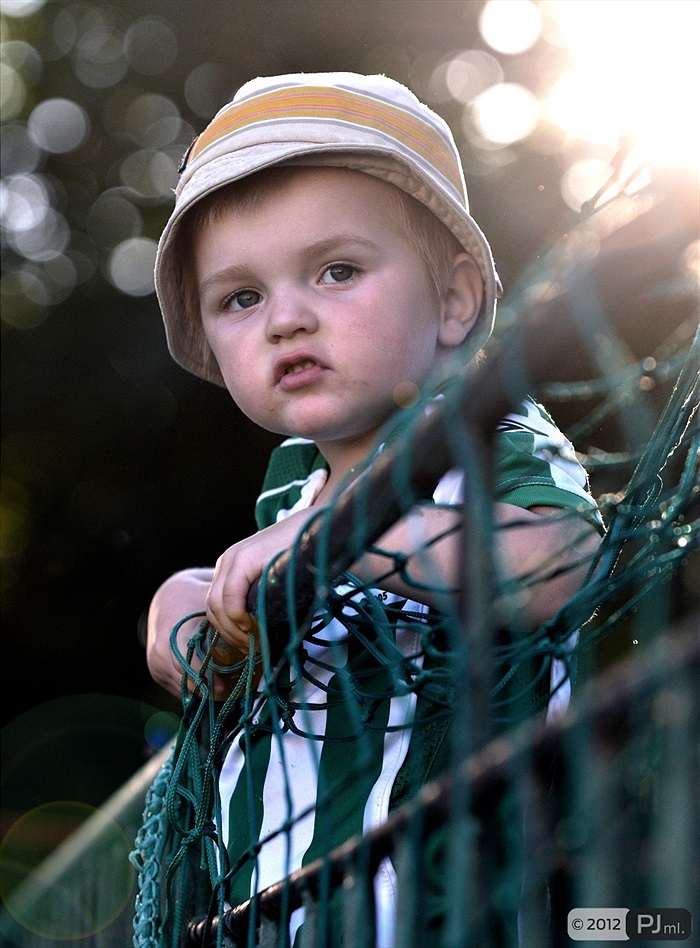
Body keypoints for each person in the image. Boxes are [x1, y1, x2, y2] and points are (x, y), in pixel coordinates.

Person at [144, 72, 602, 945]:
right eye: (242, 297)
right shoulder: (291, 482)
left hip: (444, 904)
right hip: (268, 909)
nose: (286, 319)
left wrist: (347, 537)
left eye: (337, 270)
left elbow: (561, 562)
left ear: (456, 301)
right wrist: (184, 608)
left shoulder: (490, 434)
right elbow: (253, 604)